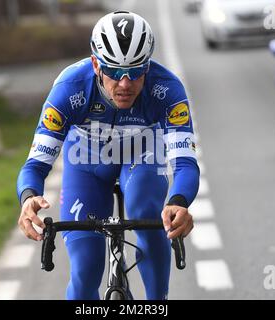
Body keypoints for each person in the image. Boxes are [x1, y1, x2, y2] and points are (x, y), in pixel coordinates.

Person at [16, 11, 200, 300]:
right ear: (95, 64)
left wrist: (179, 202)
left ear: (148, 66)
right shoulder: (69, 90)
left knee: (144, 210)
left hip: (143, 156)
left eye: (136, 71)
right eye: (114, 72)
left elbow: (185, 163)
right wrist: (28, 199)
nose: (125, 84)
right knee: (86, 270)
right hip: (86, 163)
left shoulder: (167, 89)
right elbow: (36, 165)